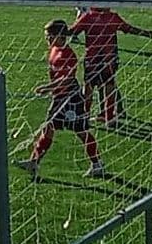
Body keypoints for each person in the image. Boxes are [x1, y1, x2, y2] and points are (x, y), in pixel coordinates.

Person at [16, 19, 104, 180]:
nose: (47, 39)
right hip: (59, 99)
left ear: (60, 36)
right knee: (48, 129)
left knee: (82, 132)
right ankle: (34, 162)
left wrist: (46, 88)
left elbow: (66, 80)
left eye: (50, 36)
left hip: (71, 99)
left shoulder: (68, 55)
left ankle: (97, 164)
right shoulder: (54, 50)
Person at [67, 7, 152, 127]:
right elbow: (128, 29)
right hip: (110, 58)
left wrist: (59, 30)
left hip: (92, 59)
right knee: (109, 86)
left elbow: (72, 31)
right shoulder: (112, 17)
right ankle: (109, 117)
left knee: (88, 88)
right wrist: (146, 33)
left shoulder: (87, 17)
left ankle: (85, 117)